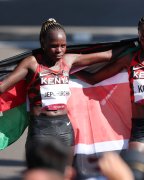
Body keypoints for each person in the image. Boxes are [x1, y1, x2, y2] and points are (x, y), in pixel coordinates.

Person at [0, 18, 124, 153]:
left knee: (64, 173)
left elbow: (106, 55)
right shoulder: (32, 63)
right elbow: (3, 87)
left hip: (64, 130)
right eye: (54, 46)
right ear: (43, 43)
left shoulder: (68, 60)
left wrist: (133, 47)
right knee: (41, 173)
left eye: (63, 46)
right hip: (40, 130)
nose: (59, 50)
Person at [74, 11, 144, 160]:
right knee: (135, 171)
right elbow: (95, 78)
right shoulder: (129, 59)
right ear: (139, 36)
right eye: (143, 37)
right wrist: (68, 70)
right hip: (141, 129)